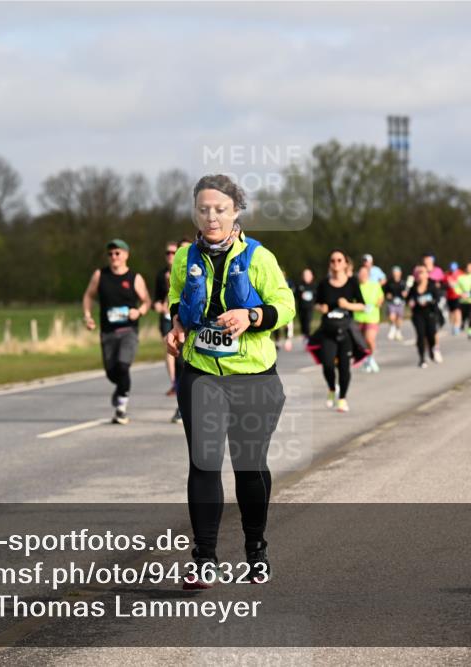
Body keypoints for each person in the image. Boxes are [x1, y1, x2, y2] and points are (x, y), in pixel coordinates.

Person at [165, 174, 295, 588]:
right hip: (200, 373)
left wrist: (251, 316)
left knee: (248, 467)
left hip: (253, 377)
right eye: (203, 209)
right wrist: (175, 326)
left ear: (236, 211)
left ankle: (256, 548)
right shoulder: (186, 257)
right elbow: (176, 298)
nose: (211, 216)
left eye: (220, 209)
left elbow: (285, 306)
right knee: (203, 463)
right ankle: (204, 558)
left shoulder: (259, 257)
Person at [82, 239, 151, 425]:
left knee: (123, 366)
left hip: (128, 330)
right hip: (107, 332)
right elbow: (88, 295)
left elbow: (146, 301)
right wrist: (87, 316)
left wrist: (140, 311)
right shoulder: (100, 275)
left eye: (118, 253)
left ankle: (121, 408)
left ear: (126, 255)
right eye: (111, 254)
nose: (114, 257)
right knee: (112, 373)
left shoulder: (134, 278)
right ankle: (120, 388)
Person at [308, 250, 368, 413]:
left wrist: (348, 305)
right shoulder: (323, 284)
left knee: (343, 367)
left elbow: (362, 305)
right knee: (327, 364)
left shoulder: (352, 283)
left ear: (345, 264)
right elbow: (316, 304)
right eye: (332, 260)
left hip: (346, 330)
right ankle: (331, 389)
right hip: (328, 330)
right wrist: (322, 307)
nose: (336, 263)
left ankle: (342, 399)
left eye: (339, 260)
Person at [153, 242, 184, 423]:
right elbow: (155, 299)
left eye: (174, 252)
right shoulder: (160, 274)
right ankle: (174, 382)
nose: (170, 255)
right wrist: (158, 305)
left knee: (184, 362)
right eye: (168, 253)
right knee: (171, 350)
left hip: (185, 321)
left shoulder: (189, 269)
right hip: (167, 319)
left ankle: (184, 402)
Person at [407, 266, 442, 368]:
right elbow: (409, 299)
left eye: (423, 272)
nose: (421, 275)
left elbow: (437, 298)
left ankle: (432, 350)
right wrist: (411, 302)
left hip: (430, 313)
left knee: (431, 335)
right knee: (420, 336)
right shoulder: (413, 287)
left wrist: (429, 301)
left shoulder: (432, 286)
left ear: (427, 274)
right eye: (419, 273)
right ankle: (422, 358)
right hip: (418, 315)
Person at [354, 265, 385, 373]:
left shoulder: (375, 285)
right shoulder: (355, 286)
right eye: (360, 274)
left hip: (372, 317)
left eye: (364, 273)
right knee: (361, 342)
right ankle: (365, 359)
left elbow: (381, 297)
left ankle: (371, 358)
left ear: (368, 275)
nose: (362, 276)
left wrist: (378, 303)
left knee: (369, 339)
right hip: (359, 317)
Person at [456, 262, 471, 339]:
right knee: (464, 316)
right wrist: (461, 294)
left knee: (470, 315)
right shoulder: (461, 277)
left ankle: (470, 330)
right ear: (466, 268)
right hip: (463, 300)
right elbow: (457, 288)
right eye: (469, 267)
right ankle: (462, 324)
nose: (470, 269)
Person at [383, 265, 407, 341]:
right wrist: (387, 295)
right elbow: (385, 292)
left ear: (400, 273)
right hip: (391, 302)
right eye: (394, 273)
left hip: (400, 302)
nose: (396, 274)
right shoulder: (389, 282)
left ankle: (398, 331)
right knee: (392, 316)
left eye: (397, 273)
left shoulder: (403, 283)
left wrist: (405, 294)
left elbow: (407, 293)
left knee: (399, 318)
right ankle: (393, 327)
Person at [293, 268, 317, 341]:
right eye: (305, 275)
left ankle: (308, 336)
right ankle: (304, 335)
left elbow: (317, 296)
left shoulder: (314, 286)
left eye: (308, 275)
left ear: (311, 276)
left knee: (308, 321)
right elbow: (295, 295)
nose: (306, 277)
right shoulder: (299, 285)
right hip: (301, 307)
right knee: (302, 322)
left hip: (310, 308)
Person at [444, 261, 464, 336]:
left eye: (454, 269)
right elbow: (443, 284)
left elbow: (464, 284)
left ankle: (457, 326)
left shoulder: (461, 274)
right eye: (451, 269)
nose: (453, 271)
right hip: (449, 296)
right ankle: (454, 324)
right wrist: (448, 284)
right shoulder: (447, 275)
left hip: (458, 296)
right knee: (451, 314)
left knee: (457, 311)